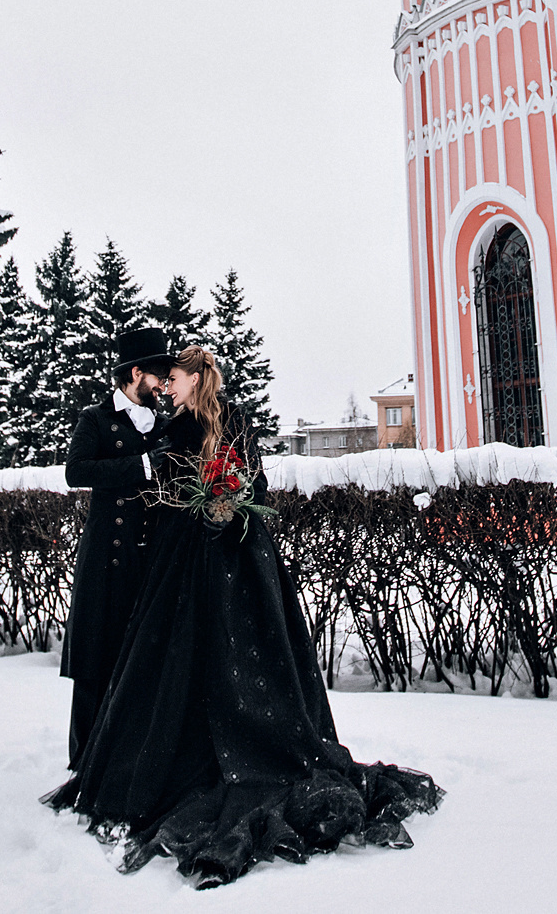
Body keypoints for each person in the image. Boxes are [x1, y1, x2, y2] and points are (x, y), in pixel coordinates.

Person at [46, 344, 442, 887]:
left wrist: (224, 502)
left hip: (230, 557)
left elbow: (249, 478)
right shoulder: (170, 424)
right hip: (180, 557)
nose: (167, 387)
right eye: (163, 380)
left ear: (195, 378)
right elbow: (159, 485)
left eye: (175, 379)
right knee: (174, 664)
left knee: (235, 662)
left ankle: (240, 752)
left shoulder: (229, 418)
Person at [58, 326, 178, 770]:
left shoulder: (165, 424)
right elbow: (76, 472)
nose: (164, 381)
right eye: (159, 373)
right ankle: (83, 765)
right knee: (94, 663)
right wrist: (142, 465)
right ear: (135, 373)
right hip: (107, 558)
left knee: (143, 665)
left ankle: (130, 763)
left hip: (151, 560)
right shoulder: (95, 418)